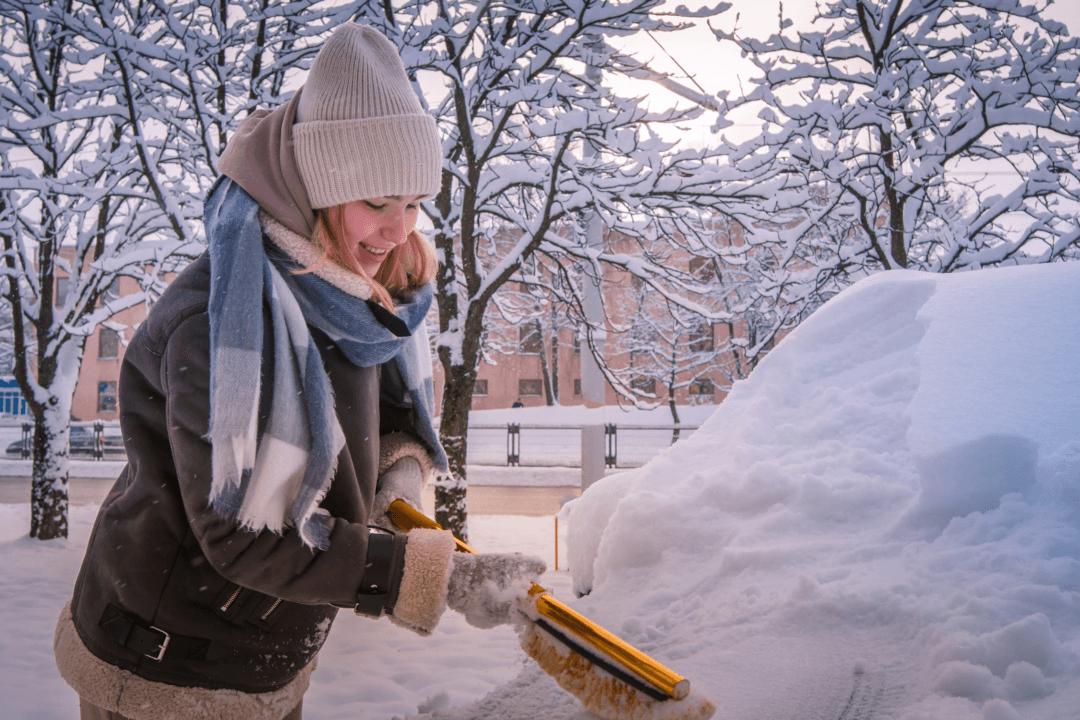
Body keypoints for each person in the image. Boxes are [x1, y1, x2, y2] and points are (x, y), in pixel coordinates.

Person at [54, 23, 544, 720]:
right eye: (377, 202)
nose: (399, 230)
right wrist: (435, 578)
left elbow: (380, 405)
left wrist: (398, 474)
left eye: (413, 203)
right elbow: (242, 533)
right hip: (165, 665)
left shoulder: (353, 287)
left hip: (267, 647)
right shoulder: (221, 320)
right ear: (318, 192)